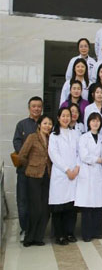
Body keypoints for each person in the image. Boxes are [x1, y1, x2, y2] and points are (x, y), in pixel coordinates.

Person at [16, 114, 53, 247]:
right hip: (33, 176)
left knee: (45, 209)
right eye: (45, 123)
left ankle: (38, 237)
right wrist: (31, 166)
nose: (47, 126)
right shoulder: (32, 137)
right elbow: (22, 155)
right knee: (35, 209)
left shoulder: (51, 138)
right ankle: (29, 237)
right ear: (39, 125)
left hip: (47, 175)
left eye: (49, 124)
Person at [13, 96, 43, 243]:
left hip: (39, 172)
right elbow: (17, 144)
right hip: (24, 170)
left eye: (39, 106)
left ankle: (37, 231)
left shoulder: (45, 124)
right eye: (33, 106)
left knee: (37, 202)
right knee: (23, 200)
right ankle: (25, 229)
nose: (36, 108)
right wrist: (28, 159)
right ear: (29, 108)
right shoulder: (22, 125)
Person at [48, 107, 80, 245]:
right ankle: (59, 235)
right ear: (58, 118)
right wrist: (67, 170)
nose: (66, 118)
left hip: (74, 174)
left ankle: (70, 233)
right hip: (61, 175)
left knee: (71, 207)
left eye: (68, 116)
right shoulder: (54, 135)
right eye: (63, 116)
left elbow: (79, 152)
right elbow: (54, 155)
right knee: (59, 207)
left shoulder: (75, 133)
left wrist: (76, 168)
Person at [75, 113, 102, 242]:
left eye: (97, 121)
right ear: (89, 123)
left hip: (98, 172)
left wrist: (101, 160)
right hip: (86, 171)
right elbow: (84, 156)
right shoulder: (83, 138)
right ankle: (86, 234)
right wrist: (99, 159)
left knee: (98, 204)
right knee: (87, 205)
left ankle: (97, 232)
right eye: (93, 121)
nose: (95, 123)